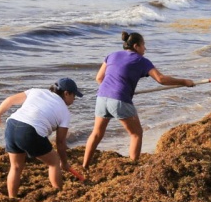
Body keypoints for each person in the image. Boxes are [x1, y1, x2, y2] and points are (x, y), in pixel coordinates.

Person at [82, 32, 194, 167]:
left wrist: (114, 89)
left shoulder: (112, 55)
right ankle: (133, 167)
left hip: (101, 97)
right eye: (143, 45)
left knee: (96, 133)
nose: (145, 49)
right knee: (136, 134)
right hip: (119, 99)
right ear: (136, 46)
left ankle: (85, 166)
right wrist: (184, 81)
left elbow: (99, 78)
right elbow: (161, 79)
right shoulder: (141, 60)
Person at [0, 78, 83, 198]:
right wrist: (64, 163)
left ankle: (12, 198)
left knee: (16, 166)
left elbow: (10, 100)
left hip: (12, 125)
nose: (74, 99)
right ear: (66, 93)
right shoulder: (64, 112)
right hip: (30, 131)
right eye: (74, 95)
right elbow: (60, 142)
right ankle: (58, 193)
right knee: (54, 162)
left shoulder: (36, 91)